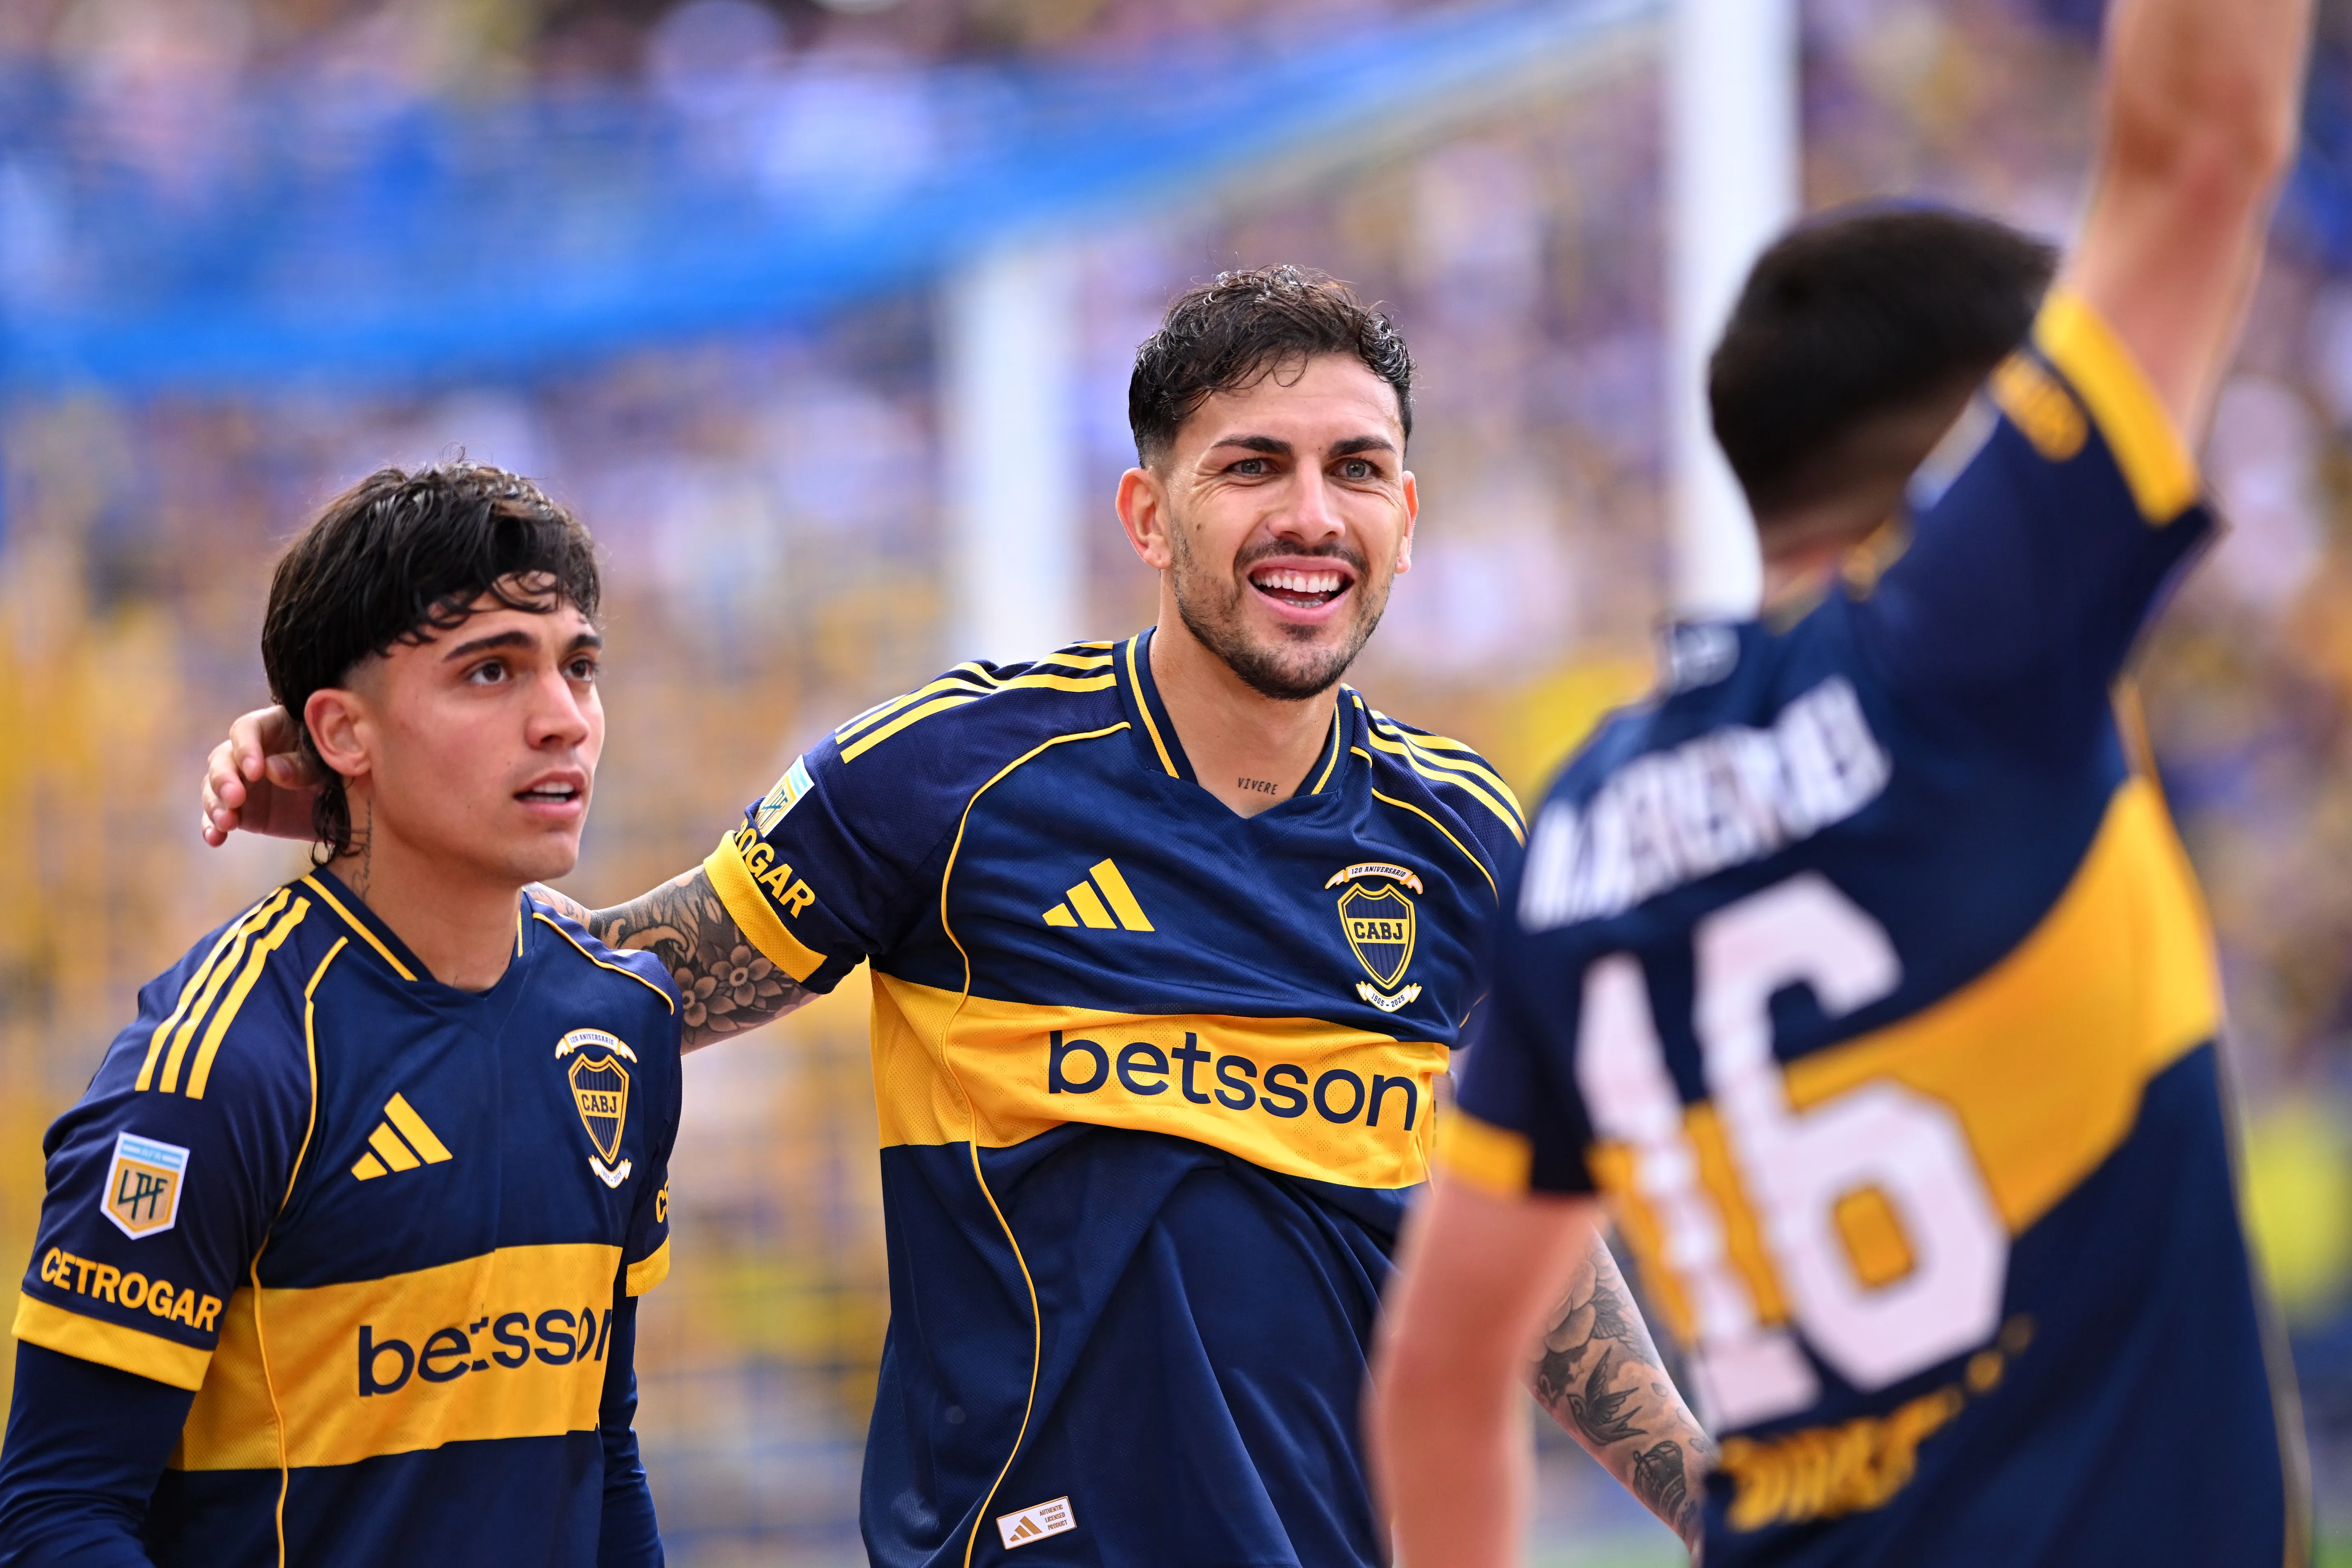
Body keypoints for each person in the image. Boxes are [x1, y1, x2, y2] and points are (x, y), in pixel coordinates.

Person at [196, 268, 1712, 1564]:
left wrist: (1703, 1495)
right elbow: (613, 989)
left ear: (1405, 512)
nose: (1309, 515)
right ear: (1148, 511)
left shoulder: (1465, 840)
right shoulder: (947, 778)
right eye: (1250, 466)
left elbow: (1514, 1226)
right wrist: (378, 802)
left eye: (1354, 469)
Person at [1370, 0, 2314, 1560]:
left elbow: (1440, 1372)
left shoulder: (1584, 822)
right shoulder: (1970, 651)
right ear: (1989, 443)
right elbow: (2198, 151)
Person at [0, 465, 680, 1568]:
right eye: (491, 672)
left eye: (581, 667)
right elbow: (57, 1516)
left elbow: (597, 1449)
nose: (563, 722)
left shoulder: (623, 1018)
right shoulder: (220, 1067)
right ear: (340, 733)